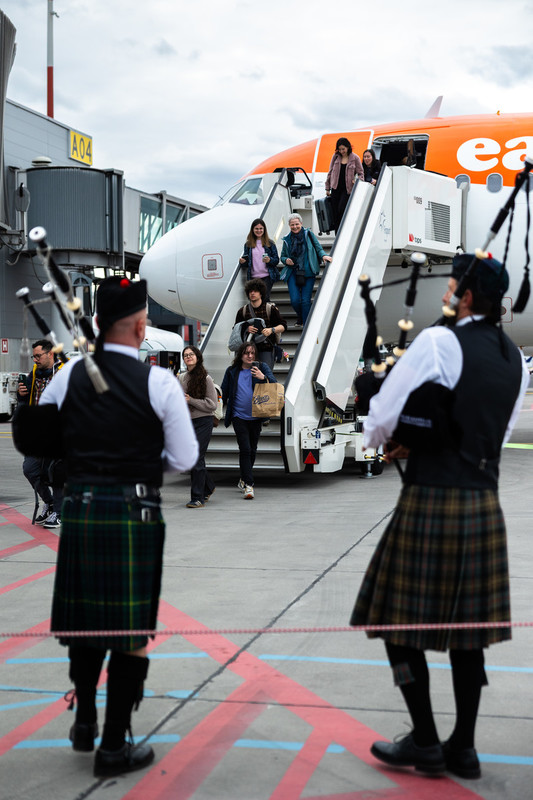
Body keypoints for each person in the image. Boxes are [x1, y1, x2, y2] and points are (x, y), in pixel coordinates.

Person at [350, 253, 529, 780]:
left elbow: (380, 418)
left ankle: (426, 739)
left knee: (396, 627)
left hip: (431, 499)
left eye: (452, 287)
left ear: (467, 298)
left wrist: (392, 438)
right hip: (483, 503)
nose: (447, 295)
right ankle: (464, 748)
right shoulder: (516, 361)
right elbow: (490, 436)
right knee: (469, 637)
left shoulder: (437, 342)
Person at [38, 276, 198, 778]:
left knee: (86, 625)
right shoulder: (159, 383)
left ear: (97, 323)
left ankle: (84, 722)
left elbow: (42, 439)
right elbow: (184, 457)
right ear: (141, 326)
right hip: (134, 511)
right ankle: (112, 746)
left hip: (82, 509)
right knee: (129, 630)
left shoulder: (68, 376)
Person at [17, 339, 65, 528]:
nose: (35, 360)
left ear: (50, 354)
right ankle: (50, 503)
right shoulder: (34, 374)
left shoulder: (64, 372)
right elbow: (25, 402)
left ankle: (59, 513)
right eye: (34, 356)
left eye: (38, 356)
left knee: (57, 473)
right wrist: (21, 394)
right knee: (30, 469)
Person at [221, 341, 276, 499]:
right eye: (246, 353)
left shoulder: (262, 367)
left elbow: (275, 385)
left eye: (252, 353)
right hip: (238, 416)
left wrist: (263, 377)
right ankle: (249, 485)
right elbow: (224, 392)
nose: (250, 356)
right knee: (245, 449)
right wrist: (215, 410)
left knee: (252, 449)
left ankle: (244, 477)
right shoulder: (232, 371)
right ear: (240, 355)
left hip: (257, 415)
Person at [179, 344, 217, 508]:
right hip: (187, 423)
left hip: (203, 421)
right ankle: (208, 487)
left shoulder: (205, 378)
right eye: (185, 355)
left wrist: (191, 400)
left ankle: (197, 497)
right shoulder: (182, 377)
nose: (188, 357)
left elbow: (212, 405)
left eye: (191, 354)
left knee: (196, 457)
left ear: (197, 357)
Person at [280, 214, 332, 327]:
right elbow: (282, 256)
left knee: (305, 301)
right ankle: (301, 317)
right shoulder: (287, 239)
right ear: (289, 225)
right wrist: (286, 260)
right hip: (293, 272)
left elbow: (318, 248)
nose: (295, 227)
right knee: (295, 301)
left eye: (297, 224)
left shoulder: (308, 234)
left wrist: (324, 256)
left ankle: (306, 324)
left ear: (301, 224)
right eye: (292, 225)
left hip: (308, 272)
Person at [233, 278, 287, 369]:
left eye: (255, 291)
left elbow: (283, 326)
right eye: (250, 291)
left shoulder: (270, 309)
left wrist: (271, 330)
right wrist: (246, 329)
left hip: (266, 349)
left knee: (265, 374)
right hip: (248, 351)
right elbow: (235, 329)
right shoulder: (243, 311)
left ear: (261, 293)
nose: (252, 293)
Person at [325, 137, 364, 232]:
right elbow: (330, 172)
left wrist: (357, 180)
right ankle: (337, 234)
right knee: (335, 212)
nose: (341, 151)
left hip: (347, 189)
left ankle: (344, 231)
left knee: (341, 209)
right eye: (339, 149)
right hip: (335, 188)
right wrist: (327, 188)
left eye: (343, 149)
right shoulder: (335, 157)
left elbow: (361, 174)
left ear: (348, 147)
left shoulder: (355, 158)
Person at [238, 218, 280, 300]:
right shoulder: (248, 244)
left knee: (264, 298)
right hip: (253, 278)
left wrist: (269, 260)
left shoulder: (270, 243)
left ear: (264, 230)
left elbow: (276, 260)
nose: (259, 231)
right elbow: (247, 263)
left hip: (267, 276)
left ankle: (268, 308)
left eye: (261, 228)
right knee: (256, 299)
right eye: (256, 229)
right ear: (252, 230)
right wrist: (242, 262)